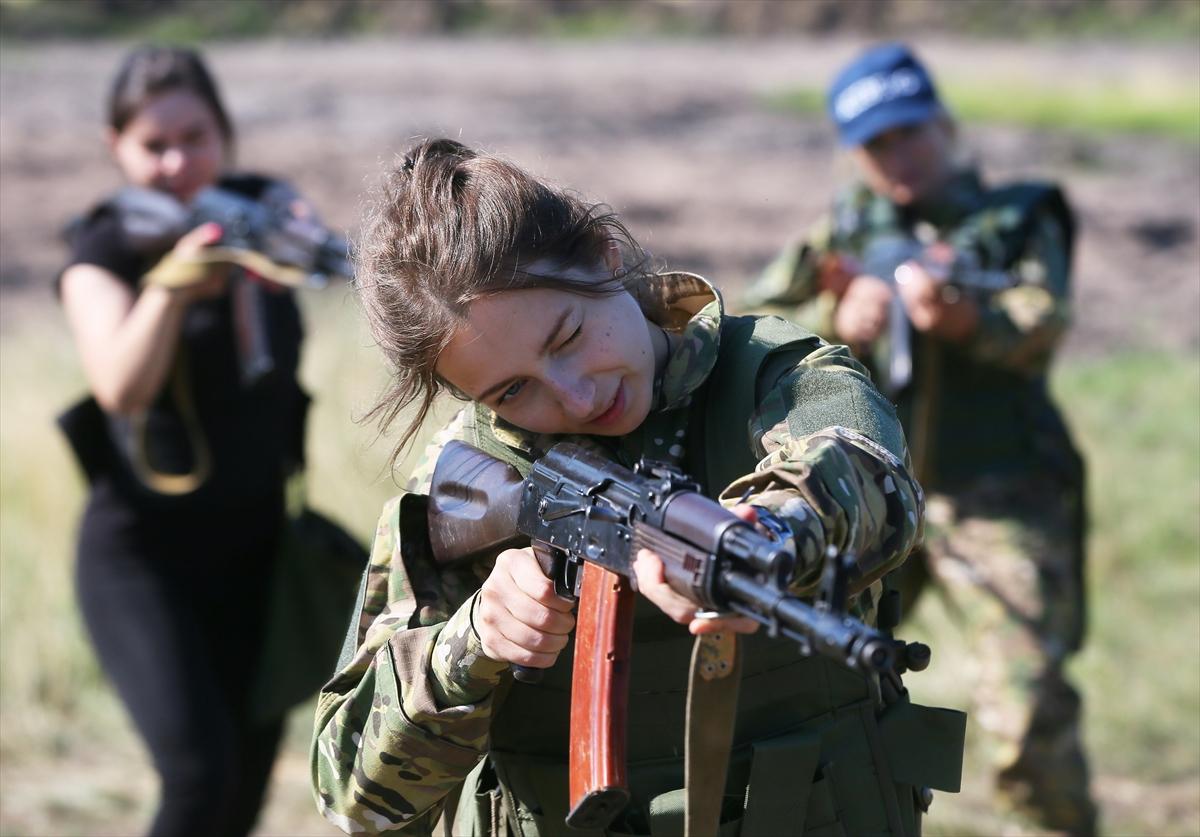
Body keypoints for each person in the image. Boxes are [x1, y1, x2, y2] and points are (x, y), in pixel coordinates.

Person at [311, 137, 965, 836]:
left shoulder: (778, 377)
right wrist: (471, 643)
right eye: (512, 389)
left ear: (604, 255)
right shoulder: (466, 487)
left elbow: (861, 470)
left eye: (567, 337)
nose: (574, 393)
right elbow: (351, 796)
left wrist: (767, 530)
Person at [741, 43, 1096, 835]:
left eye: (911, 134)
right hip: (863, 495)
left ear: (943, 125)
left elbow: (1046, 320)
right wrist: (843, 320)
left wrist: (971, 321)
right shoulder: (843, 228)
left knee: (1029, 713)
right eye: (877, 145)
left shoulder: (1016, 220)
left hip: (994, 491)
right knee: (810, 693)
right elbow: (752, 327)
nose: (899, 158)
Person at [57, 45, 314, 836]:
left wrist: (290, 239)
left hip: (259, 548)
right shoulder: (106, 245)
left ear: (225, 133)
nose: (177, 161)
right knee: (198, 778)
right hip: (144, 556)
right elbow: (118, 387)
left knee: (240, 792)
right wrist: (172, 287)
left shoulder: (263, 211)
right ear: (117, 149)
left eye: (195, 138)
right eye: (153, 145)